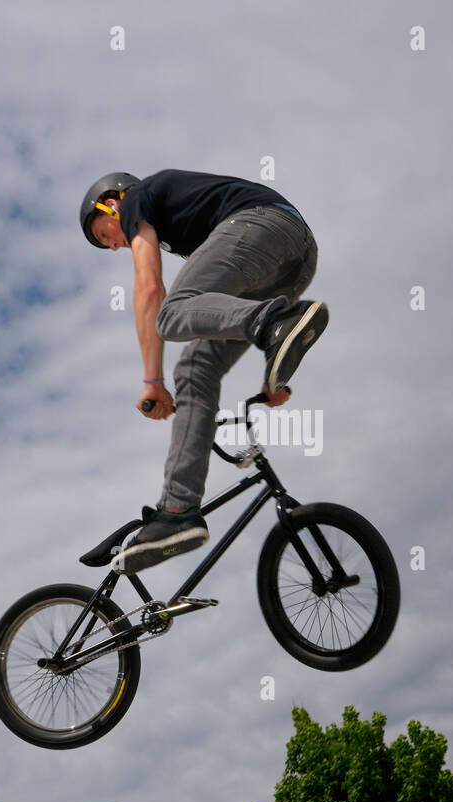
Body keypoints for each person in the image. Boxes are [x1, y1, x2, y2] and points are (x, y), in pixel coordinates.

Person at [79, 169, 327, 573]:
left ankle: (273, 322)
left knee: (172, 312)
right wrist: (274, 376)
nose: (112, 245)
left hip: (260, 224)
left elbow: (149, 289)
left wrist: (152, 382)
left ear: (112, 202)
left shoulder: (137, 198)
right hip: (294, 258)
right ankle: (178, 509)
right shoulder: (181, 222)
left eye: (104, 234)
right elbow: (223, 309)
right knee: (196, 367)